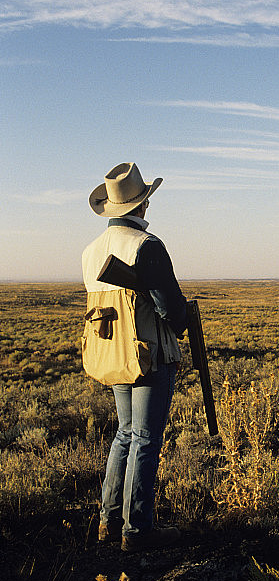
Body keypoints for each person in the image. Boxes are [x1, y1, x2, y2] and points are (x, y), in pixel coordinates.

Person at [82, 162, 187, 552]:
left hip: (112, 353)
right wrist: (181, 323)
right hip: (148, 355)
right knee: (145, 439)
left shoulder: (90, 252)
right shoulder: (146, 245)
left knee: (125, 435)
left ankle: (108, 521)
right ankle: (138, 531)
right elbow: (168, 305)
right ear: (142, 205)